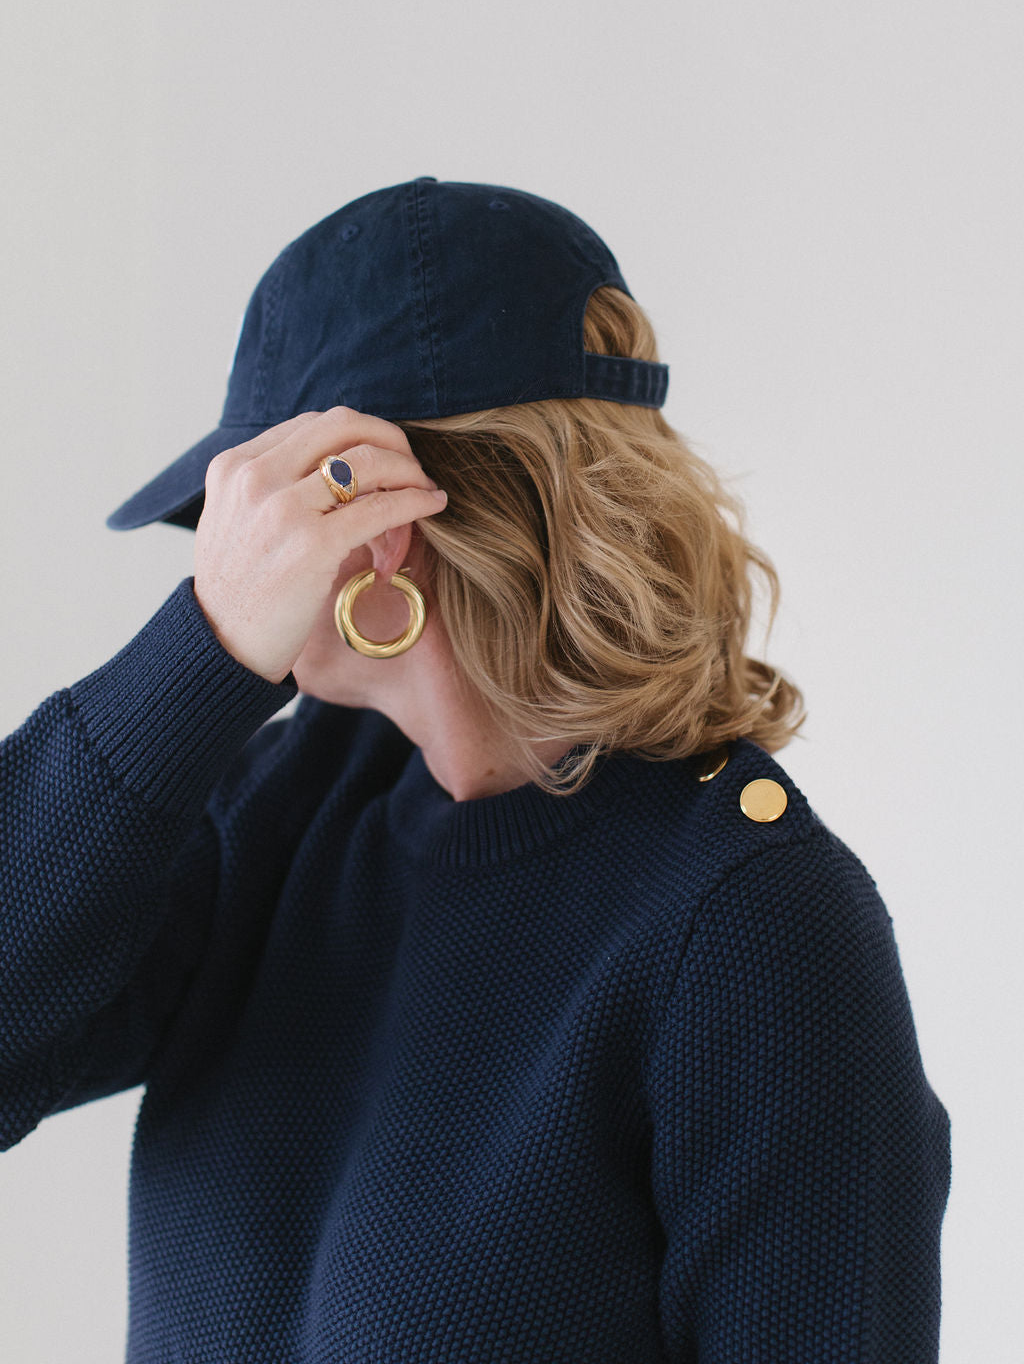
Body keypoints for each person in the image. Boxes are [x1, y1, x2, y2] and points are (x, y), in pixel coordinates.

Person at [0, 176, 951, 1361]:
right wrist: (199, 662)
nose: (222, 560)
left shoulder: (750, 925)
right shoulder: (281, 817)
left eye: (243, 516)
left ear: (371, 531)